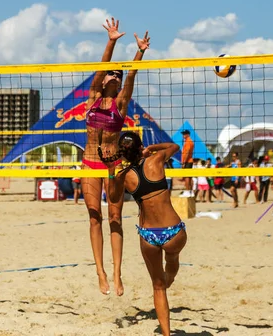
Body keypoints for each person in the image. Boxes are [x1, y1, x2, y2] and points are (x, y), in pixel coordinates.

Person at [81, 17, 150, 296]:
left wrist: (139, 52)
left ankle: (118, 274)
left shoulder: (120, 103)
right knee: (94, 216)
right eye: (112, 73)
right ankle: (100, 271)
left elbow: (131, 75)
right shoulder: (93, 96)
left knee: (115, 218)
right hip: (89, 163)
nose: (115, 75)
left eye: (117, 75)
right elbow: (100, 70)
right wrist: (111, 41)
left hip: (113, 164)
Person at [100, 132, 187, 336]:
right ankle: (171, 276)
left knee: (158, 288)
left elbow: (112, 198)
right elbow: (175, 146)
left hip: (148, 235)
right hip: (173, 231)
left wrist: (111, 171)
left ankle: (166, 334)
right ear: (141, 147)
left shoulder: (123, 176)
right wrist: (153, 148)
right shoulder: (156, 159)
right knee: (172, 260)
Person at [179, 130, 194, 197]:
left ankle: (188, 191)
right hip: (189, 161)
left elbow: (187, 152)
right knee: (189, 177)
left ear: (188, 134)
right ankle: (190, 191)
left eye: (184, 134)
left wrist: (184, 162)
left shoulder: (188, 142)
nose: (183, 135)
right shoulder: (190, 142)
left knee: (187, 177)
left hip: (187, 161)